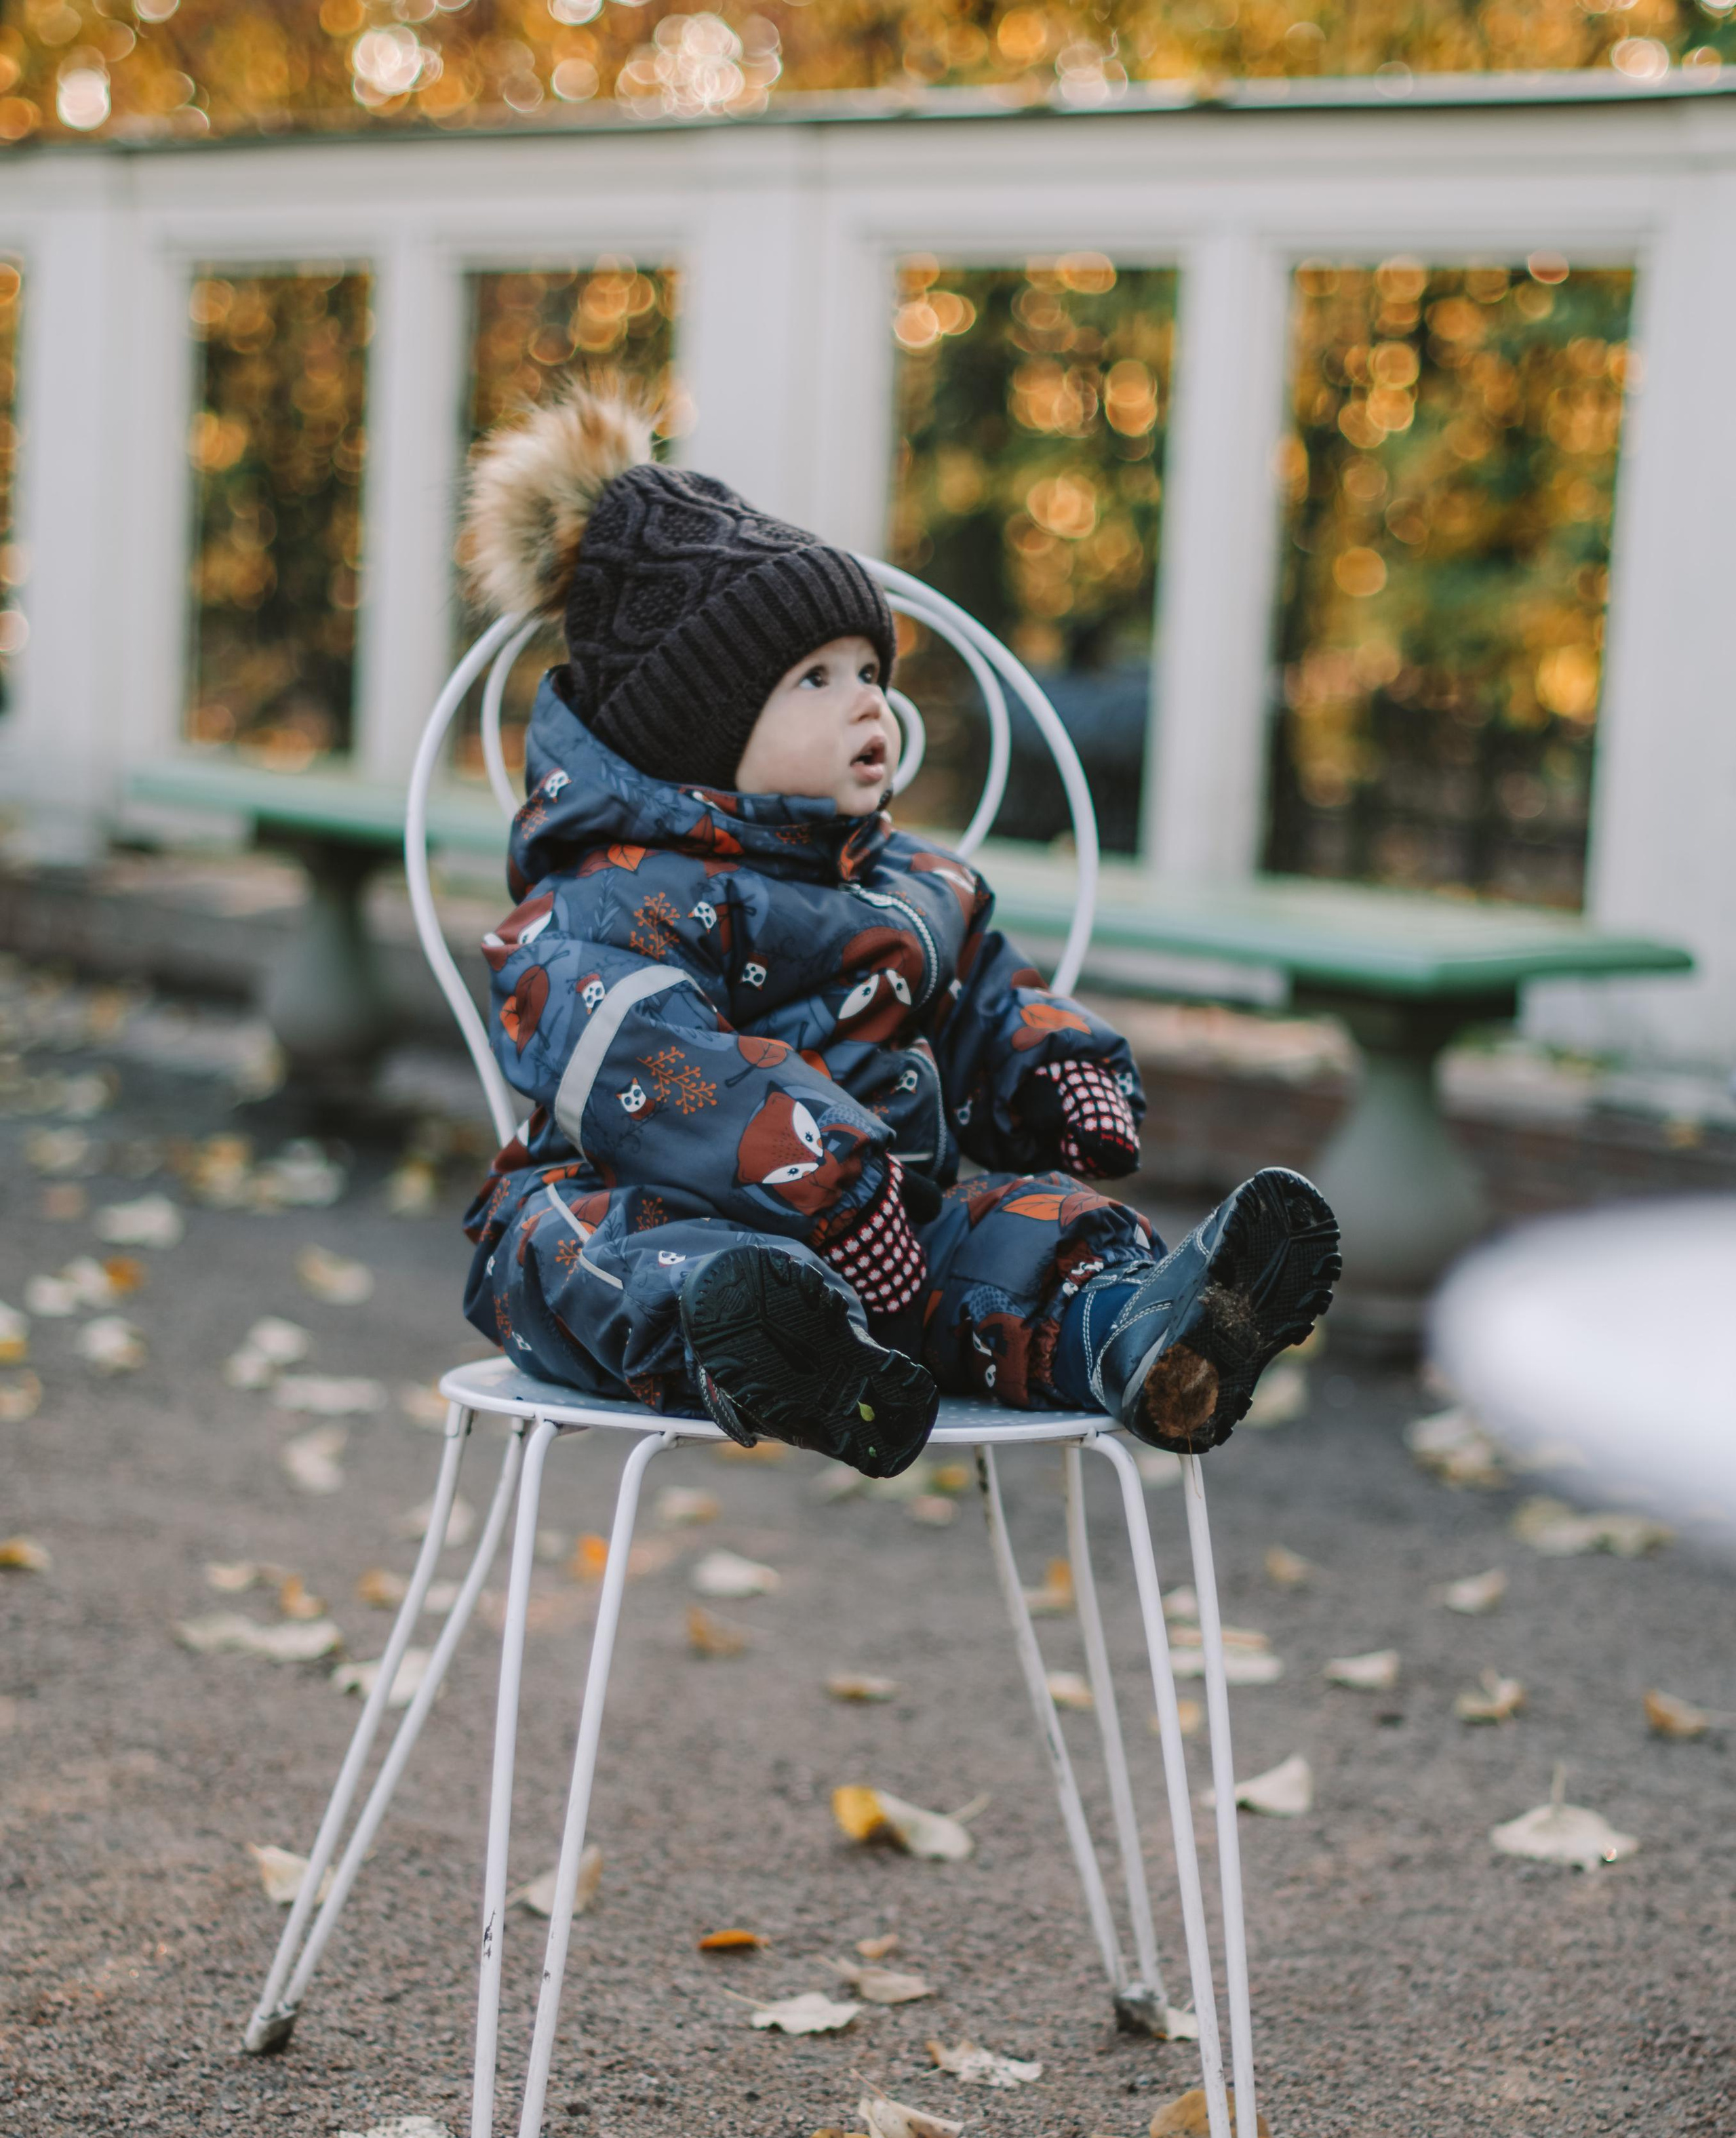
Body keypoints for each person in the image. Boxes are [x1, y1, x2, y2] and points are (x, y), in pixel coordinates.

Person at [458, 379, 1339, 1479]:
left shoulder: (914, 882)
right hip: (648, 1207)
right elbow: (638, 1044)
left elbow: (991, 997)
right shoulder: (606, 896)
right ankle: (779, 1350)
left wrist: (1055, 1069)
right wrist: (827, 1173)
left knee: (1025, 1230)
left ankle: (1149, 1336)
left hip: (889, 1232)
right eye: (815, 679)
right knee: (576, 1249)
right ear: (699, 733)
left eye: (872, 672)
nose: (867, 702)